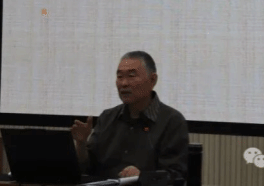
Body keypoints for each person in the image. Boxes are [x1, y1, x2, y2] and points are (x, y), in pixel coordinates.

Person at [71, 51, 189, 180]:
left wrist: (142, 177)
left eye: (131, 76)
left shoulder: (172, 121)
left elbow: (176, 176)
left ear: (152, 80)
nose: (124, 83)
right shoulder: (107, 117)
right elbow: (88, 169)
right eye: (120, 77)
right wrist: (81, 144)